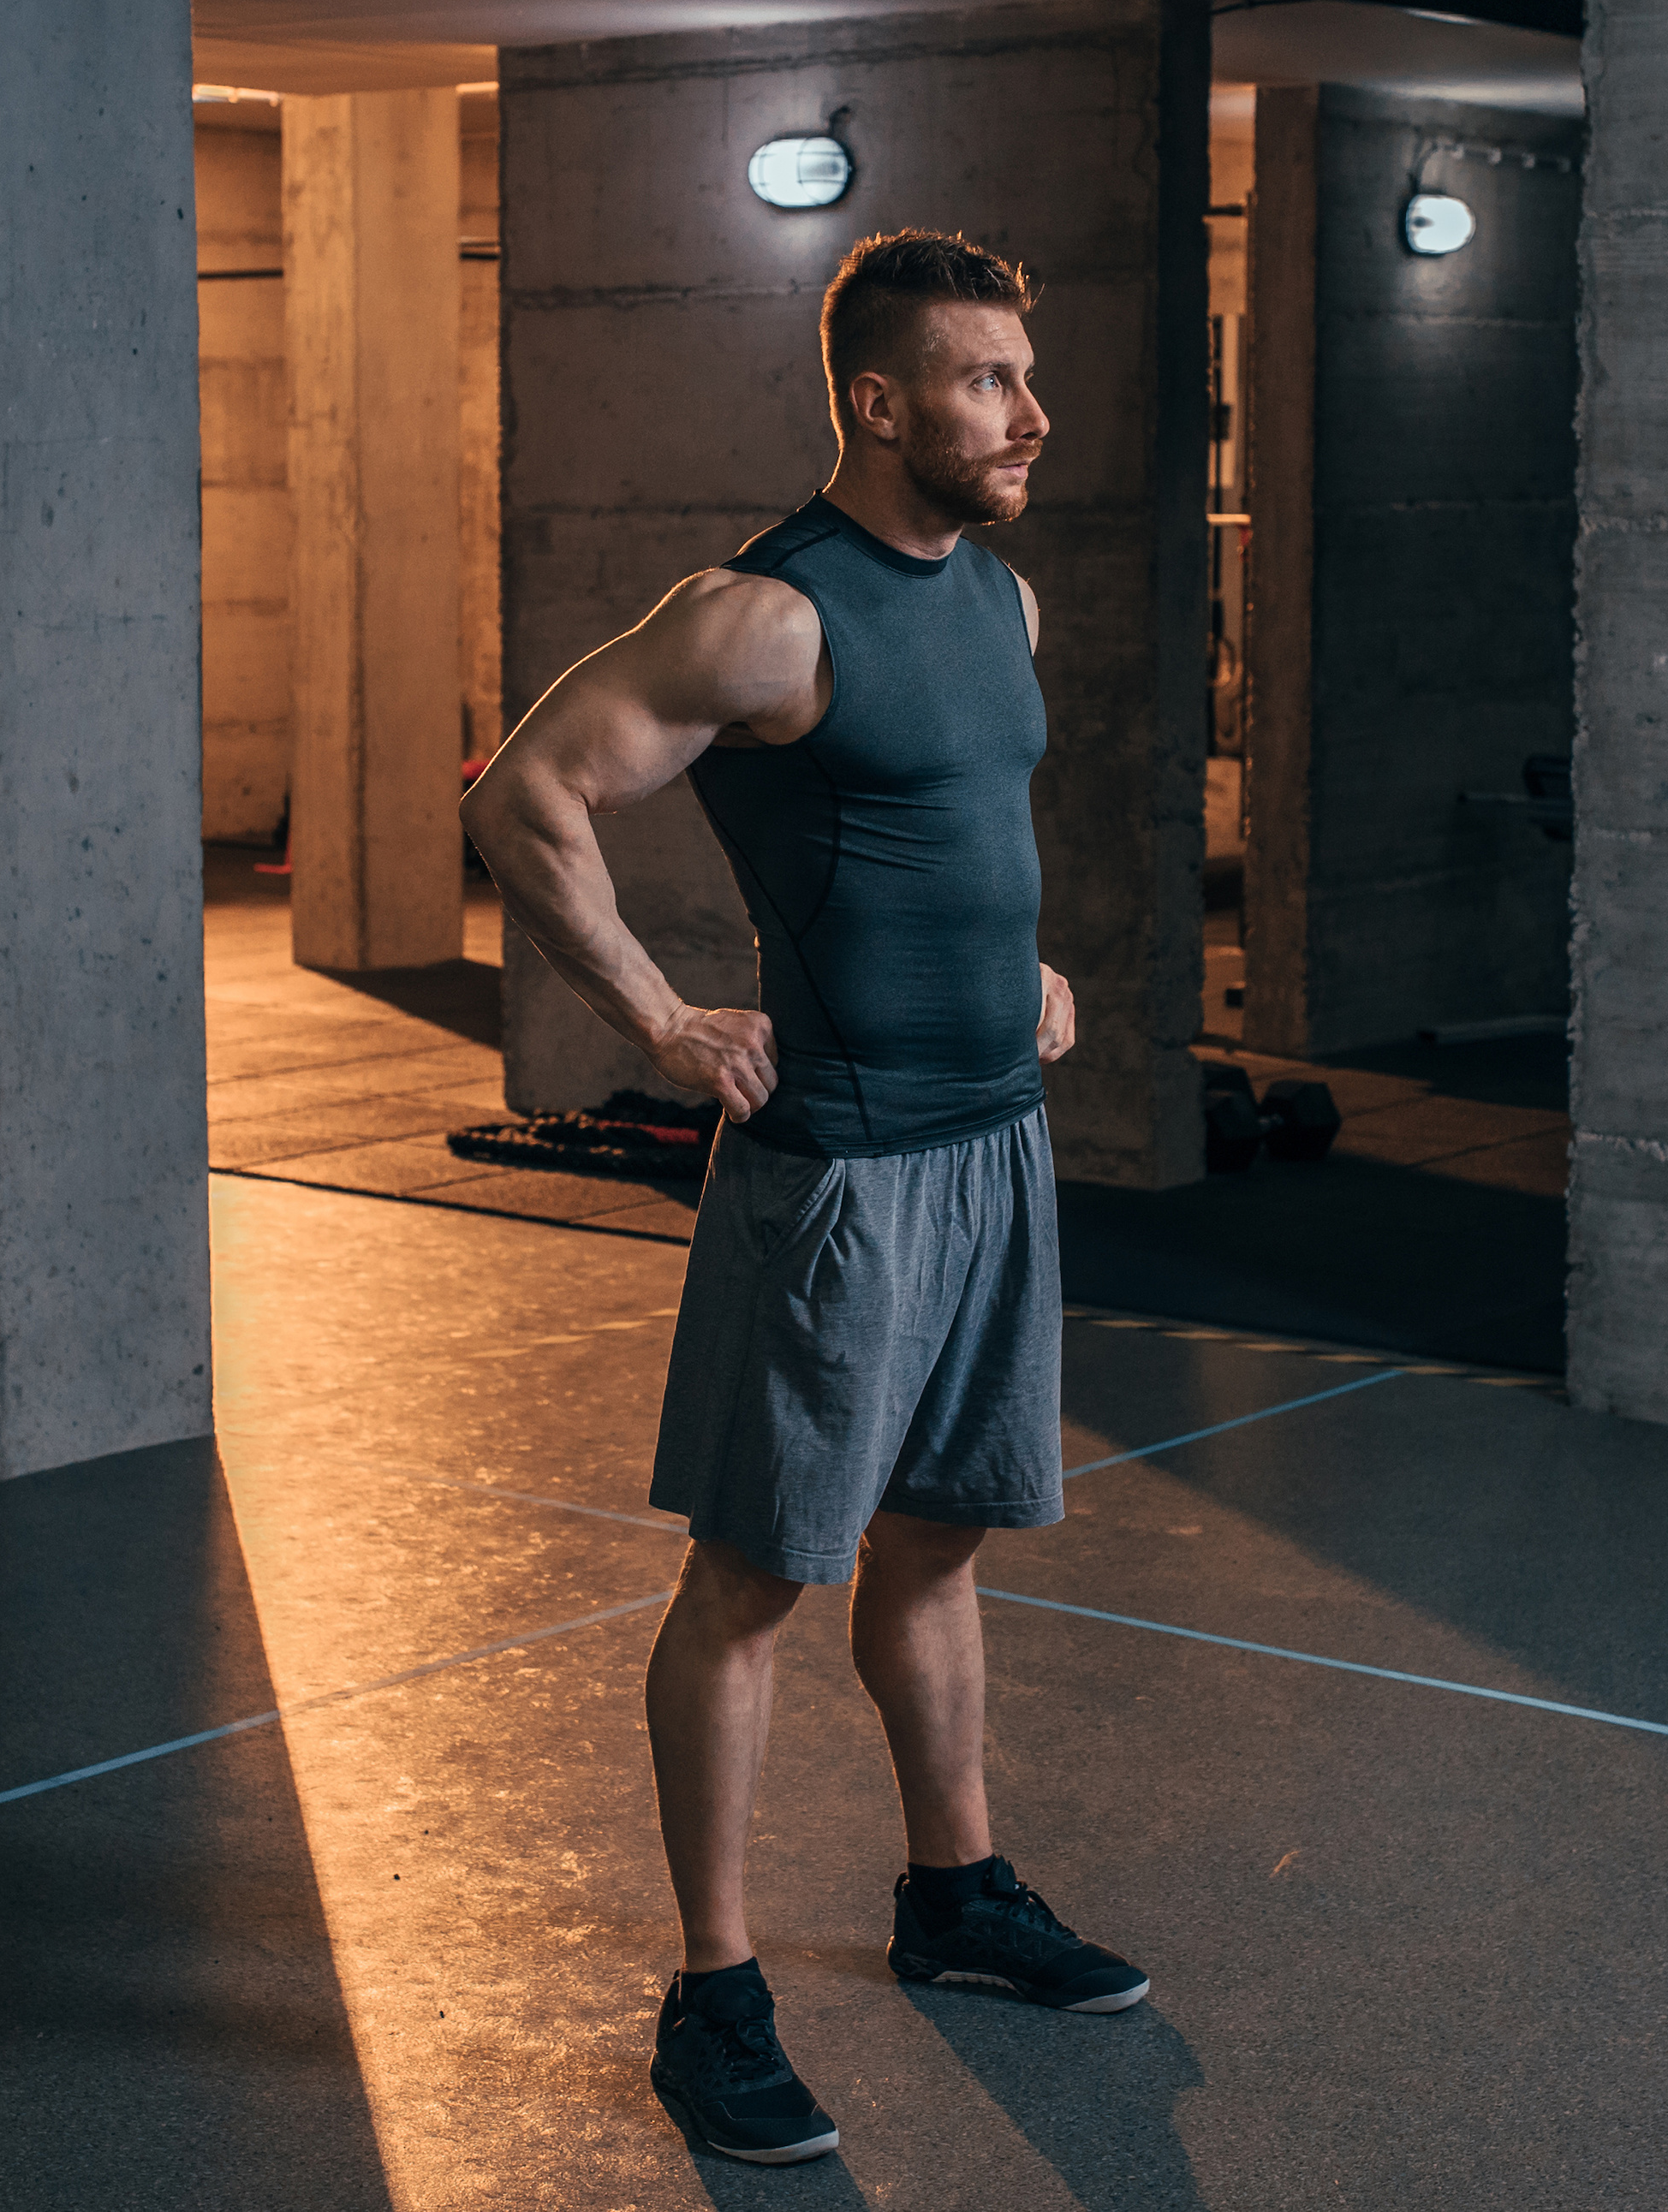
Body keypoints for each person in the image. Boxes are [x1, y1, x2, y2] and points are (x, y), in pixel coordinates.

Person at [462, 226, 1147, 2168]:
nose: (1031, 412)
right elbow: (524, 791)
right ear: (878, 400)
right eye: (988, 380)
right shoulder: (767, 615)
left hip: (993, 1140)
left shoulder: (994, 601)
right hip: (840, 1171)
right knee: (755, 1583)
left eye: (1024, 374)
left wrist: (1023, 971)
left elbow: (950, 833)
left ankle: (956, 1891)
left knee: (939, 1542)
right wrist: (664, 1016)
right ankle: (717, 1994)